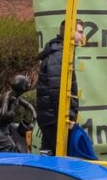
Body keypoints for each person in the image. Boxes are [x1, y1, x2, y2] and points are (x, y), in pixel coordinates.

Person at [35, 19, 84, 154]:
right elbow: (56, 90)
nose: (82, 36)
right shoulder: (59, 55)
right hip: (55, 119)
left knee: (50, 155)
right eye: (80, 32)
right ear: (69, 32)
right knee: (62, 157)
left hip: (51, 118)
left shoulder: (60, 52)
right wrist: (67, 118)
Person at [0, 74, 35, 152]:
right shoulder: (7, 96)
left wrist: (34, 113)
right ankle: (13, 158)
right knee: (10, 146)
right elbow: (3, 113)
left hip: (3, 124)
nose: (29, 85)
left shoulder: (15, 96)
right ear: (22, 88)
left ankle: (23, 156)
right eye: (27, 84)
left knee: (21, 137)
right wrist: (13, 108)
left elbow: (27, 105)